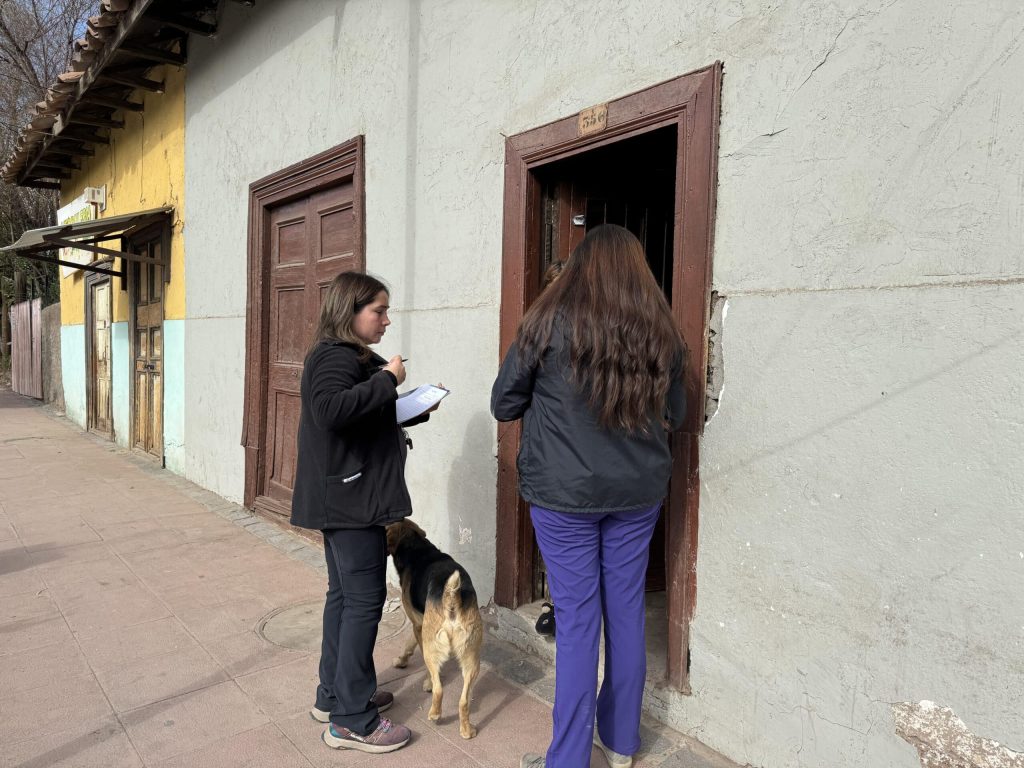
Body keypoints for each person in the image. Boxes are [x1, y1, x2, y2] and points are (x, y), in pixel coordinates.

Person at [491, 224, 687, 768]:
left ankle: (569, 760)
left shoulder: (545, 322)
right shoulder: (663, 332)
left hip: (564, 494)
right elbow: (678, 415)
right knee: (625, 613)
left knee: (578, 623)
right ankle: (621, 744)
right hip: (637, 493)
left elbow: (504, 403)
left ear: (579, 266)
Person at [291, 271, 431, 754]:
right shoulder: (334, 355)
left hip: (348, 496)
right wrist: (388, 379)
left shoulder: (347, 356)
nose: (387, 320)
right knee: (364, 602)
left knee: (345, 597)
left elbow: (356, 415)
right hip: (350, 501)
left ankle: (334, 695)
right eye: (379, 310)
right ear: (349, 311)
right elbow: (331, 410)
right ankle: (352, 720)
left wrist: (408, 406)